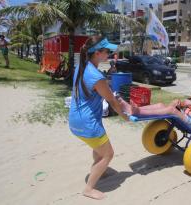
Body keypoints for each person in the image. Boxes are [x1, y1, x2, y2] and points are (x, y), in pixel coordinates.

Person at [68, 36, 129, 200]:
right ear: (96, 53)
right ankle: (88, 189)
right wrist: (124, 116)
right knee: (108, 154)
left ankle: (99, 172)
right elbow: (112, 101)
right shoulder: (97, 77)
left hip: (75, 121)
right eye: (106, 51)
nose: (109, 53)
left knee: (98, 148)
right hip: (88, 124)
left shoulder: (82, 67)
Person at [119, 79, 191, 133]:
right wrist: (180, 103)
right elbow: (187, 104)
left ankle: (137, 111)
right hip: (185, 115)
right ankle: (134, 109)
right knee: (162, 104)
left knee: (171, 110)